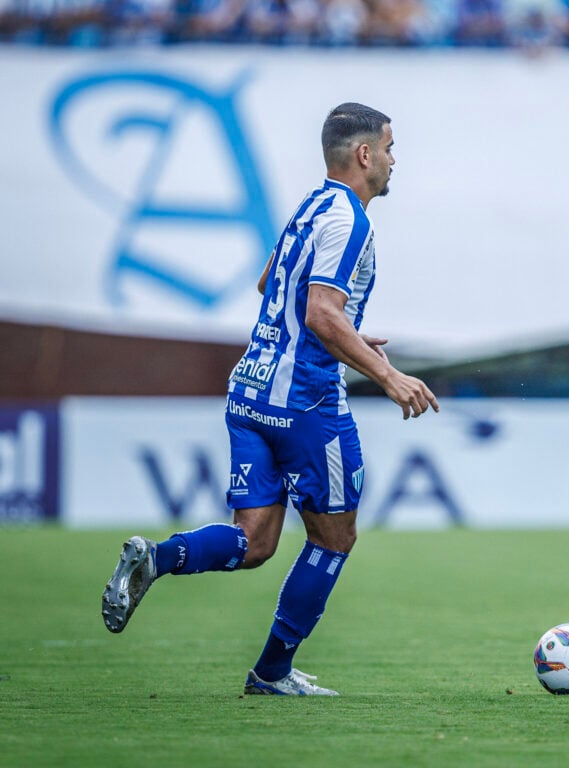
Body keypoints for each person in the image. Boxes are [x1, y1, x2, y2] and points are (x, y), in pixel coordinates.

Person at [101, 102, 440, 696]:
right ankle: (272, 672)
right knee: (334, 537)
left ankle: (157, 558)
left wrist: (350, 332)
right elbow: (320, 313)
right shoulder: (351, 221)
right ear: (364, 155)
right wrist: (387, 375)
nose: (393, 160)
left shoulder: (310, 207)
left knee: (254, 541)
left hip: (251, 391)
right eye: (389, 148)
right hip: (306, 403)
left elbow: (270, 287)